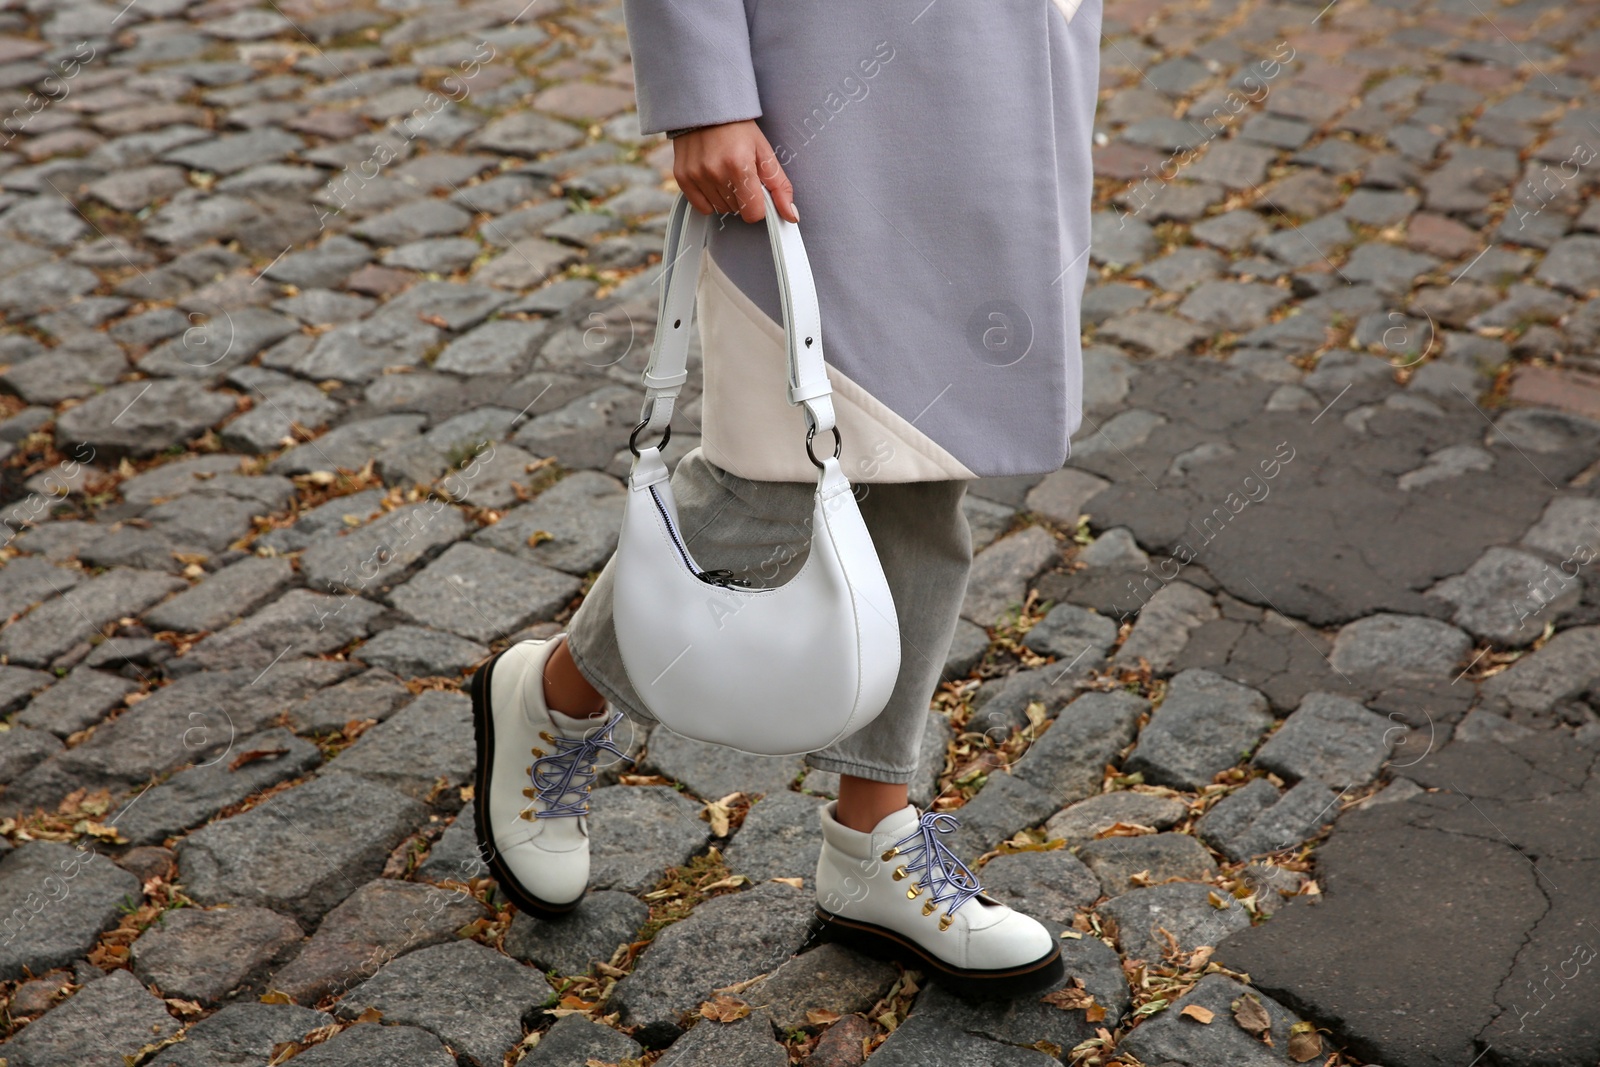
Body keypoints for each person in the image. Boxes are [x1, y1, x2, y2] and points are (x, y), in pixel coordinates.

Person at [473, 0, 1102, 1000]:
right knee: (768, 473)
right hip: (828, 76)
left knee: (921, 474)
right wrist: (702, 87)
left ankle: (872, 836)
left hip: (1002, 68)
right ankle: (555, 695)